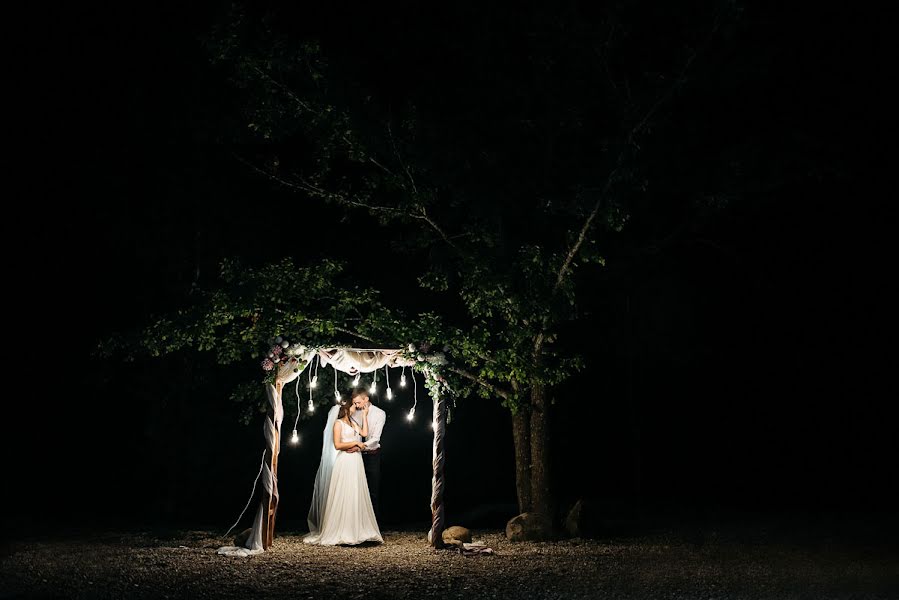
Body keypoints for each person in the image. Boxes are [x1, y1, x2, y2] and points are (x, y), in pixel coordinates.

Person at [303, 398, 382, 546]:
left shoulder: (354, 423)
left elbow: (364, 433)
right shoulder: (338, 424)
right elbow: (338, 445)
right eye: (353, 405)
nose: (355, 407)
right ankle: (341, 529)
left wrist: (365, 415)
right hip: (344, 460)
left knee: (355, 492)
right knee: (344, 491)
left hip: (356, 461)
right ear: (346, 408)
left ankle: (356, 529)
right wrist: (355, 442)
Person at [349, 387, 386, 523]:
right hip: (355, 456)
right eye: (354, 403)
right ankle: (357, 524)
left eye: (358, 402)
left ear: (366, 399)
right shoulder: (354, 413)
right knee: (355, 490)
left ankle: (373, 525)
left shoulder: (379, 413)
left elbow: (375, 438)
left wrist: (359, 448)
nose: (356, 405)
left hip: (372, 455)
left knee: (372, 491)